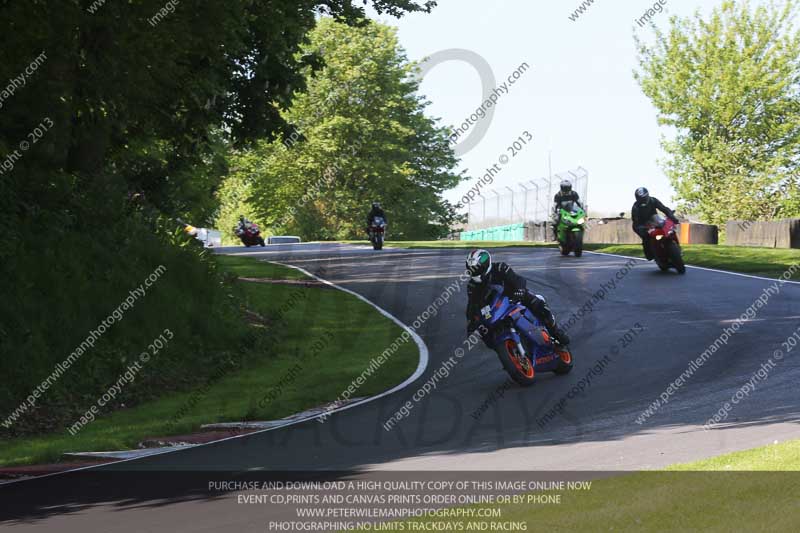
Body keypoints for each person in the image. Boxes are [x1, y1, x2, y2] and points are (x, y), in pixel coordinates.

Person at [464, 249, 570, 345]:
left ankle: (555, 332)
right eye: (471, 269)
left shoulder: (500, 268)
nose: (474, 272)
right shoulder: (472, 286)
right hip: (494, 311)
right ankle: (508, 355)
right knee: (485, 335)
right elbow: (472, 306)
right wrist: (471, 324)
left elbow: (518, 279)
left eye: (476, 269)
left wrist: (519, 290)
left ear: (485, 265)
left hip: (514, 297)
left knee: (538, 302)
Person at [631, 187, 679, 260]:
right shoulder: (635, 207)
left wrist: (672, 217)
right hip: (642, 224)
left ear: (647, 195)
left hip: (655, 220)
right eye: (641, 199)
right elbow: (636, 220)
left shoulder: (653, 200)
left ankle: (677, 247)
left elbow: (663, 208)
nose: (643, 200)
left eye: (645, 197)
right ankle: (649, 254)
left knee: (670, 230)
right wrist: (642, 228)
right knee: (646, 237)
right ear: (637, 199)